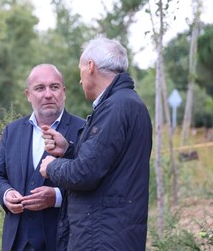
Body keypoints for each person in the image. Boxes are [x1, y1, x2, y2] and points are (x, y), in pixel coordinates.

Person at [40, 37, 153, 250]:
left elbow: (85, 174)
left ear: (90, 66)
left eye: (80, 70)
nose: (80, 81)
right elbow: (107, 164)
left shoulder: (115, 108)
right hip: (116, 233)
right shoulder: (128, 103)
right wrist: (68, 150)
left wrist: (51, 167)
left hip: (101, 238)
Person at [0, 64, 85, 251]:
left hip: (62, 241)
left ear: (63, 92)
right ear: (28, 95)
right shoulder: (12, 131)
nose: (48, 94)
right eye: (40, 88)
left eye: (54, 87)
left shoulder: (83, 130)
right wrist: (6, 194)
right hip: (16, 241)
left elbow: (93, 183)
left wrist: (57, 197)